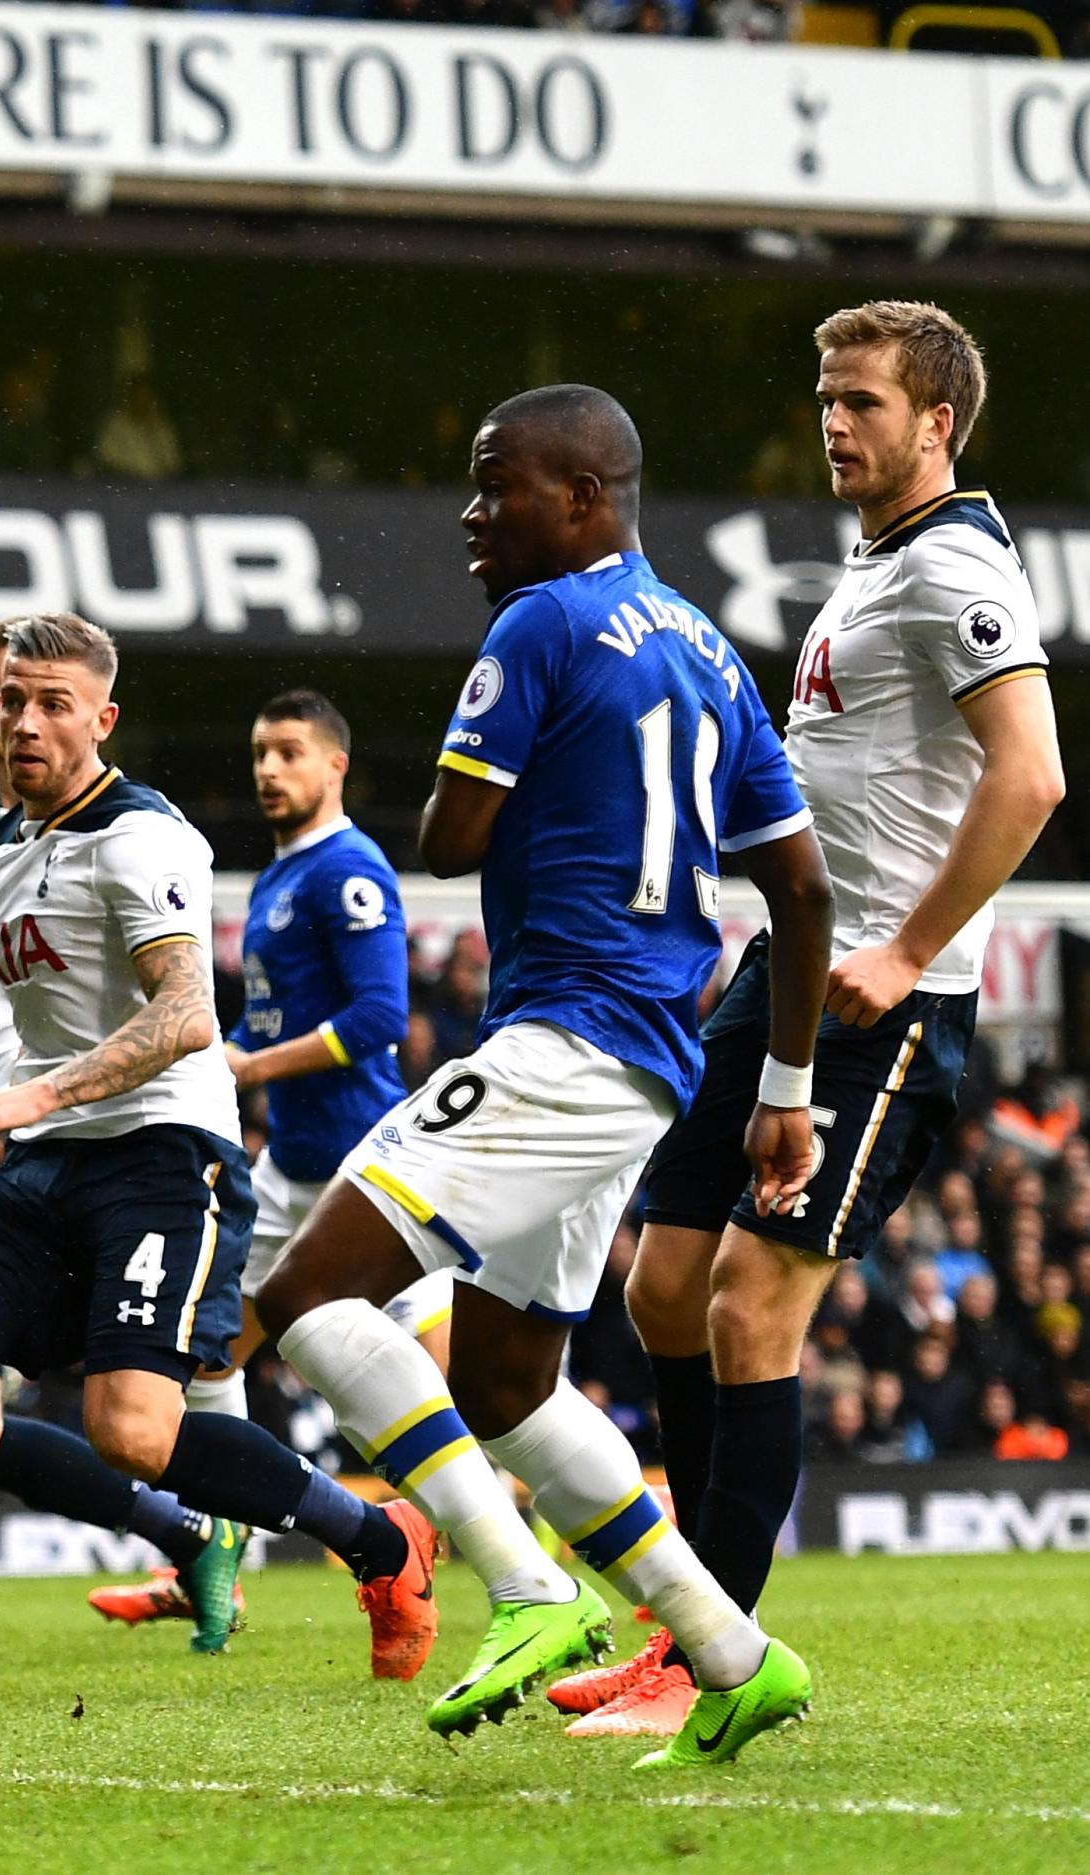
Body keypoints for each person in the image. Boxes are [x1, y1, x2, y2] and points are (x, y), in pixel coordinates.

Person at [248, 385, 831, 1769]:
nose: (471, 512)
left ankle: (525, 1585)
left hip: (563, 1038)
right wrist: (785, 1085)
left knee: (302, 1295)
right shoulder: (704, 644)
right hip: (651, 1059)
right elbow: (801, 891)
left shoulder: (543, 621)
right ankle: (734, 1648)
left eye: (495, 484)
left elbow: (452, 833)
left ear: (584, 498)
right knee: (508, 1377)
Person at [0, 613, 433, 1707]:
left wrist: (31, 1098)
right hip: (40, 1153)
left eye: (53, 702)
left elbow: (186, 1014)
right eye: (9, 698)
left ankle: (378, 1540)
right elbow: (21, 1033)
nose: (24, 719)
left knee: (134, 1434)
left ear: (102, 717)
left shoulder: (140, 836)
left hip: (160, 1156)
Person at [611, 304, 1066, 1737]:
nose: (834, 421)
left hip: (894, 1001)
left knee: (753, 1309)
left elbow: (1032, 776)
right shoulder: (872, 569)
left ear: (939, 422)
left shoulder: (961, 570)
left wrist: (913, 944)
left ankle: (711, 1657)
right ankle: (685, 1612)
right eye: (824, 396)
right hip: (783, 974)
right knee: (660, 1289)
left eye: (863, 400)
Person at [92, 688, 450, 1646]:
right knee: (212, 1356)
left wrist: (250, 1065)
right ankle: (220, 1566)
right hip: (290, 1170)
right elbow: (263, 1023)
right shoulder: (274, 881)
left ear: (336, 764)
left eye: (289, 751)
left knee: (479, 1398)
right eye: (258, 751)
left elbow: (379, 1019)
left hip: (367, 1176)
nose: (267, 768)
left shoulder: (351, 871)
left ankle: (562, 1570)